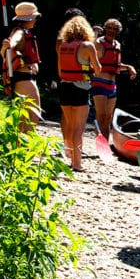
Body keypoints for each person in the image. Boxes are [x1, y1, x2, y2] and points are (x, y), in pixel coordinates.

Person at [56, 14, 103, 172]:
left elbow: (60, 71)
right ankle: (77, 164)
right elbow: (98, 69)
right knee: (78, 128)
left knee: (70, 125)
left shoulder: (62, 46)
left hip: (64, 87)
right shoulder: (87, 46)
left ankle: (70, 157)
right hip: (80, 88)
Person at [0, 1, 43, 131]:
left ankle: (22, 146)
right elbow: (14, 41)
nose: (36, 20)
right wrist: (9, 45)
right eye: (35, 17)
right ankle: (25, 146)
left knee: (27, 115)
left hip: (25, 78)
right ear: (29, 19)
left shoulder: (23, 31)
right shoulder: (19, 32)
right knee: (33, 114)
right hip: (24, 79)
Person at [91, 17, 138, 139]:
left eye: (115, 29)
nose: (112, 30)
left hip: (112, 85)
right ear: (105, 28)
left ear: (118, 31)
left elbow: (116, 65)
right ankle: (101, 142)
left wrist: (129, 67)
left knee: (108, 117)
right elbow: (91, 61)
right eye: (109, 28)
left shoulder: (117, 45)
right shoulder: (98, 43)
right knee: (101, 115)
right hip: (99, 82)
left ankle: (105, 143)